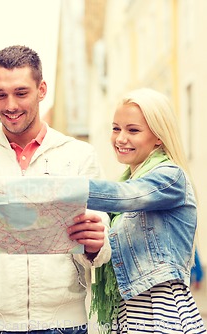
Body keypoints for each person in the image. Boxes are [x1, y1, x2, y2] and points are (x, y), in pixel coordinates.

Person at [0, 45, 111, 334]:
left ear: (42, 90)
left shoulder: (81, 155)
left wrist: (96, 243)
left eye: (21, 93)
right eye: (1, 94)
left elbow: (103, 241)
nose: (10, 105)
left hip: (64, 323)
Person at [87, 88, 206, 333]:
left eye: (133, 130)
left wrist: (64, 189)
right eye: (116, 128)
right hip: (129, 315)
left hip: (163, 315)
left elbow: (124, 196)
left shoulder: (170, 177)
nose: (120, 138)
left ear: (158, 136)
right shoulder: (128, 181)